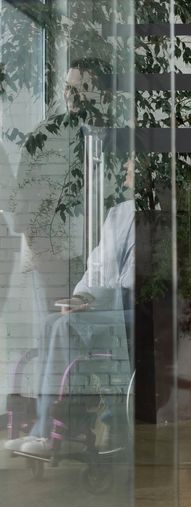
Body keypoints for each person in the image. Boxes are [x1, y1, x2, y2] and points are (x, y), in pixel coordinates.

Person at [4, 160, 135, 457]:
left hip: (131, 309)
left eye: (132, 164)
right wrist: (81, 298)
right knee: (52, 321)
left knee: (63, 326)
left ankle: (49, 431)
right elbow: (98, 268)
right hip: (107, 303)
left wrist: (93, 300)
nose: (126, 167)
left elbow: (131, 282)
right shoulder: (118, 213)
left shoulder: (151, 217)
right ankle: (42, 425)